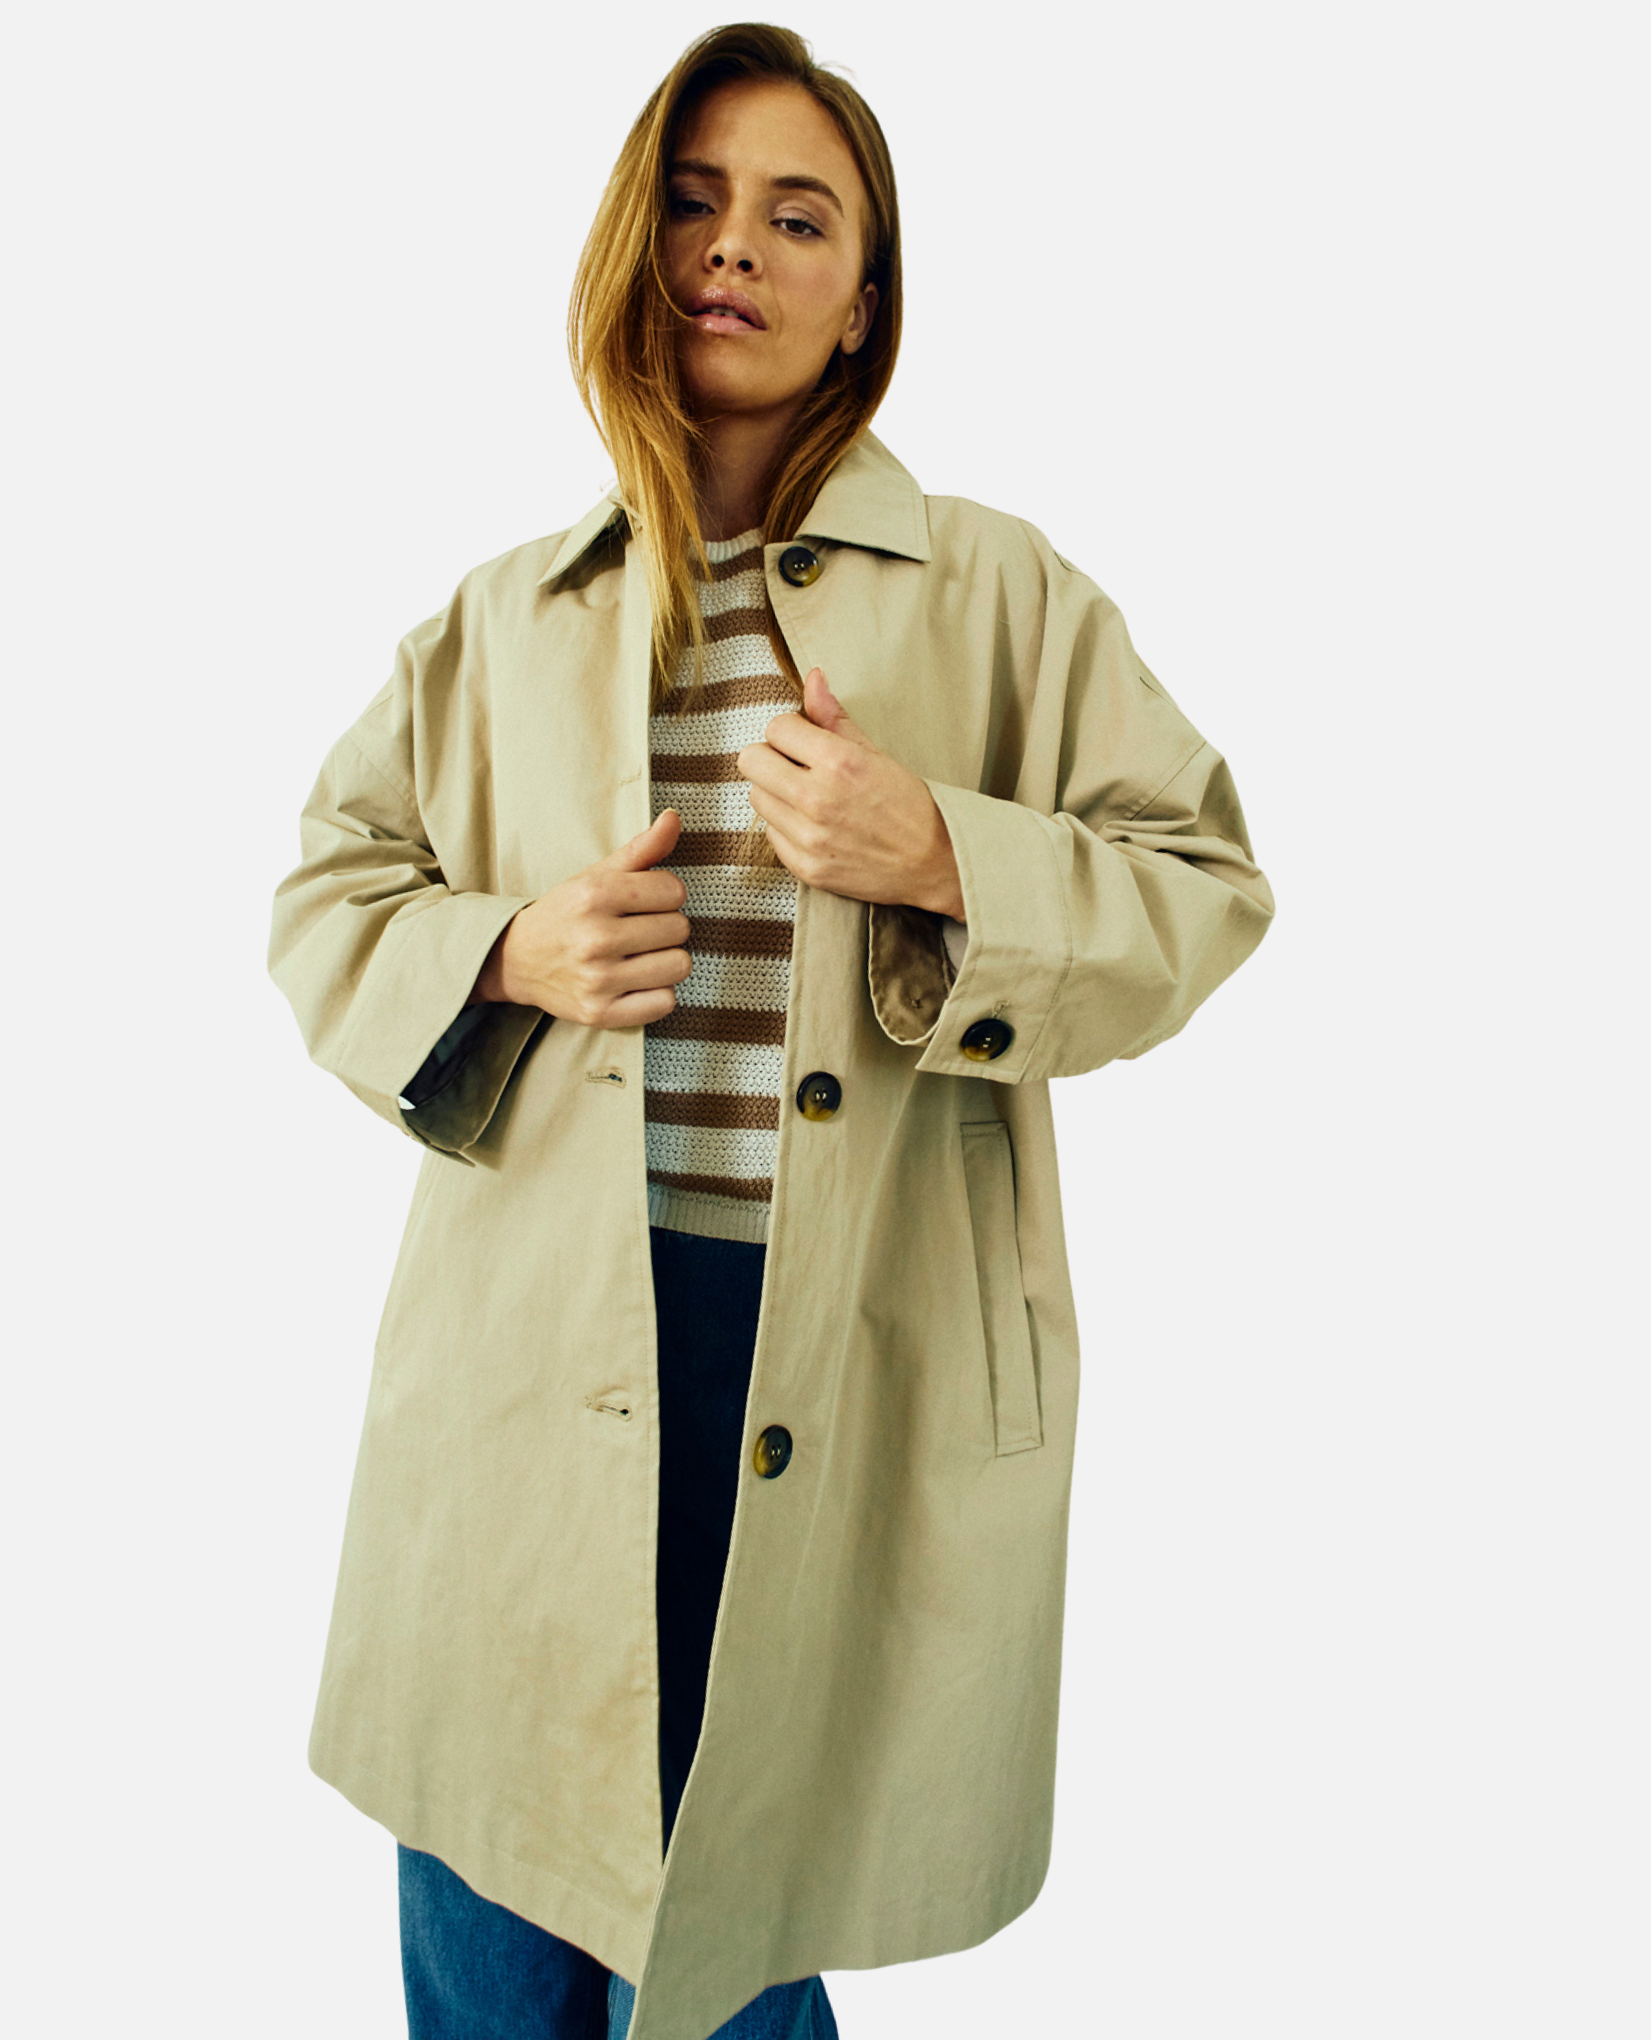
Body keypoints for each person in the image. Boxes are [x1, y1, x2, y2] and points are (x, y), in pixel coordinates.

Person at [267, 23, 1275, 2040]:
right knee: (492, 1916)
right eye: (696, 201)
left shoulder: (1004, 596)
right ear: (636, 246)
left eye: (799, 216)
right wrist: (510, 950)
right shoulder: (502, 616)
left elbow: (1204, 886)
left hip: (836, 1342)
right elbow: (327, 899)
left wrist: (946, 853)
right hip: (530, 1351)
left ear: (864, 298)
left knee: (727, 1941)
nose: (735, 246)